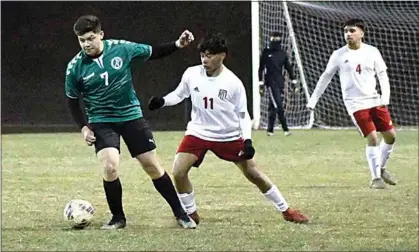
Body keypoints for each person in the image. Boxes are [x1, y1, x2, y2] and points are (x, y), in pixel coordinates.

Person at [148, 32, 309, 225]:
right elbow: (180, 94)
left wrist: (247, 141)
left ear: (222, 55)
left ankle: (286, 210)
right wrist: (162, 101)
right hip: (198, 132)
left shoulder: (233, 83)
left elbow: (243, 115)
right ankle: (191, 213)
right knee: (178, 171)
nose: (204, 59)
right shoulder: (192, 74)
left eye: (209, 55)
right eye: (202, 55)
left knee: (254, 174)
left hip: (228, 135)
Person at [65, 15, 197, 229]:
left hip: (130, 116)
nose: (87, 44)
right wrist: (83, 128)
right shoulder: (75, 67)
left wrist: (177, 44)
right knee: (109, 167)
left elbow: (153, 52)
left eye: (90, 38)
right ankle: (118, 218)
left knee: (152, 166)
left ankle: (181, 214)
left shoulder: (121, 49)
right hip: (101, 121)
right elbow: (72, 101)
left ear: (101, 34)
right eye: (82, 40)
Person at [306, 19, 397, 189]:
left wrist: (386, 97)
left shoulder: (372, 52)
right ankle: (375, 178)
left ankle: (381, 168)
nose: (348, 34)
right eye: (346, 31)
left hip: (375, 100)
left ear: (361, 33)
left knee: (391, 136)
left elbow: (382, 75)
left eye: (352, 30)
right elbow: (325, 77)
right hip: (355, 103)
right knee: (373, 138)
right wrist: (313, 100)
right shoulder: (338, 55)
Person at [258, 32, 297, 136]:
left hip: (280, 83)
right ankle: (285, 129)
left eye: (277, 38)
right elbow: (261, 69)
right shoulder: (266, 52)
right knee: (278, 105)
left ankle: (270, 130)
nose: (275, 40)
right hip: (270, 83)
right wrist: (260, 84)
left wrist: (293, 81)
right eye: (273, 38)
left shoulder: (282, 53)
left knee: (273, 106)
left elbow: (288, 67)